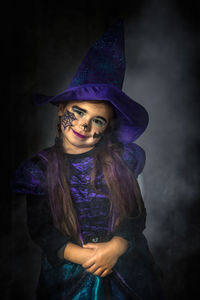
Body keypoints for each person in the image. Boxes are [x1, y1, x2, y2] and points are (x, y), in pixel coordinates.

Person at [11, 19, 165, 299]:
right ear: (61, 110)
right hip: (69, 274)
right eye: (78, 112)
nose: (84, 125)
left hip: (127, 269)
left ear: (107, 127)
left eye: (97, 121)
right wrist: (82, 256)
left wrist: (117, 246)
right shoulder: (40, 170)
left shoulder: (120, 160)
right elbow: (41, 228)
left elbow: (136, 215)